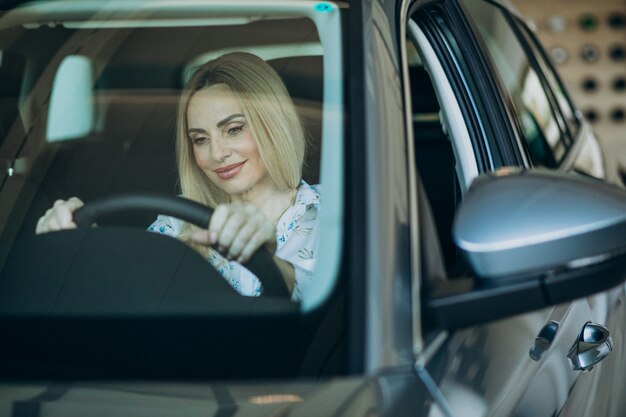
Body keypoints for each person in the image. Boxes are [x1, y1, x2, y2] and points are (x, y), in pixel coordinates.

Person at [35, 52, 320, 301]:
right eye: (199, 139)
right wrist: (80, 247)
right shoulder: (178, 222)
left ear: (273, 125)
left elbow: (340, 313)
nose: (217, 153)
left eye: (234, 129)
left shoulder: (336, 212)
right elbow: (127, 292)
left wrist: (268, 261)